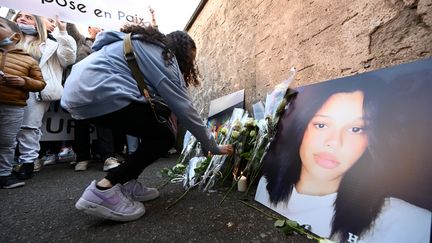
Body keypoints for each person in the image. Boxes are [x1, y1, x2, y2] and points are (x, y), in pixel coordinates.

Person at [61, 24, 233, 221]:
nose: (189, 64)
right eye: (190, 59)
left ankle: (127, 182)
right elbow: (185, 109)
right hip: (100, 92)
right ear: (181, 53)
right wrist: (212, 146)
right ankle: (104, 189)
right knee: (164, 136)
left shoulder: (138, 43)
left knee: (153, 127)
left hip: (77, 95)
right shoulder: (163, 56)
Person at [255, 78, 431, 242]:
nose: (334, 142)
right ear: (301, 129)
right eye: (321, 125)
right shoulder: (265, 186)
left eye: (355, 129)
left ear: (371, 139)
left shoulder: (407, 223)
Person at [12, 12, 76, 180]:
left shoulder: (51, 44)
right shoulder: (8, 38)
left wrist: (62, 32)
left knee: (29, 127)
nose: (22, 18)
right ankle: (7, 164)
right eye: (20, 15)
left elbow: (68, 59)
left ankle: (27, 163)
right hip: (7, 87)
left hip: (35, 91)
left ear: (38, 23)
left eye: (29, 16)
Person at [0, 17, 45, 188]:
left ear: (15, 37)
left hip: (13, 107)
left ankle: (4, 174)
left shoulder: (29, 60)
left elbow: (40, 83)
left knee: (7, 142)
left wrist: (24, 81)